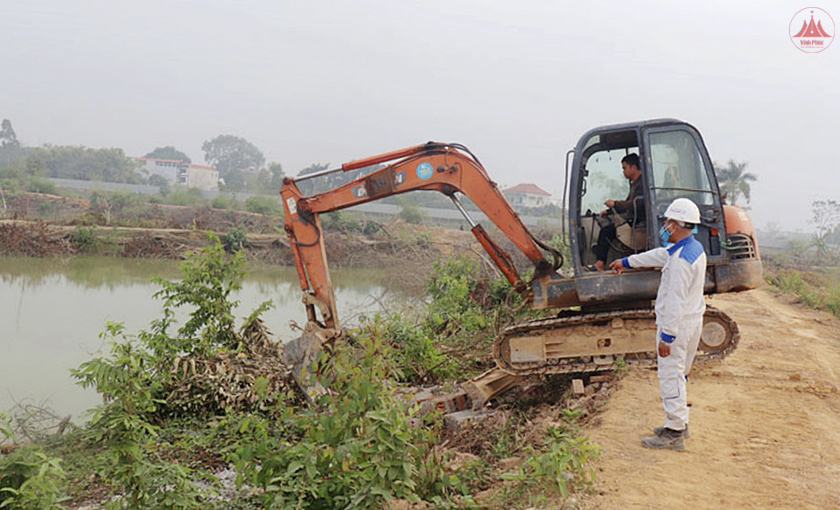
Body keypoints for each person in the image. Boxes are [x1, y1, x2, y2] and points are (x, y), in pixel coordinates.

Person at [609, 198, 706, 451]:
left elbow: (674, 301)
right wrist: (627, 262)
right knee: (679, 375)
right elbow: (660, 255)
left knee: (670, 376)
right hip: (692, 321)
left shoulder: (680, 263)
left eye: (667, 222)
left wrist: (668, 338)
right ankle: (679, 423)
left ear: (675, 225)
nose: (664, 225)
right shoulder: (691, 249)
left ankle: (674, 432)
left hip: (678, 325)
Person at [593, 153, 645, 271]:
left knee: (607, 231)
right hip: (633, 218)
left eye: (624, 168)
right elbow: (628, 204)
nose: (623, 171)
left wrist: (615, 204)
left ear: (634, 167)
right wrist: (609, 211)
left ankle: (600, 263)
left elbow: (635, 204)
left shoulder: (642, 185)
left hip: (639, 221)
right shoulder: (635, 184)